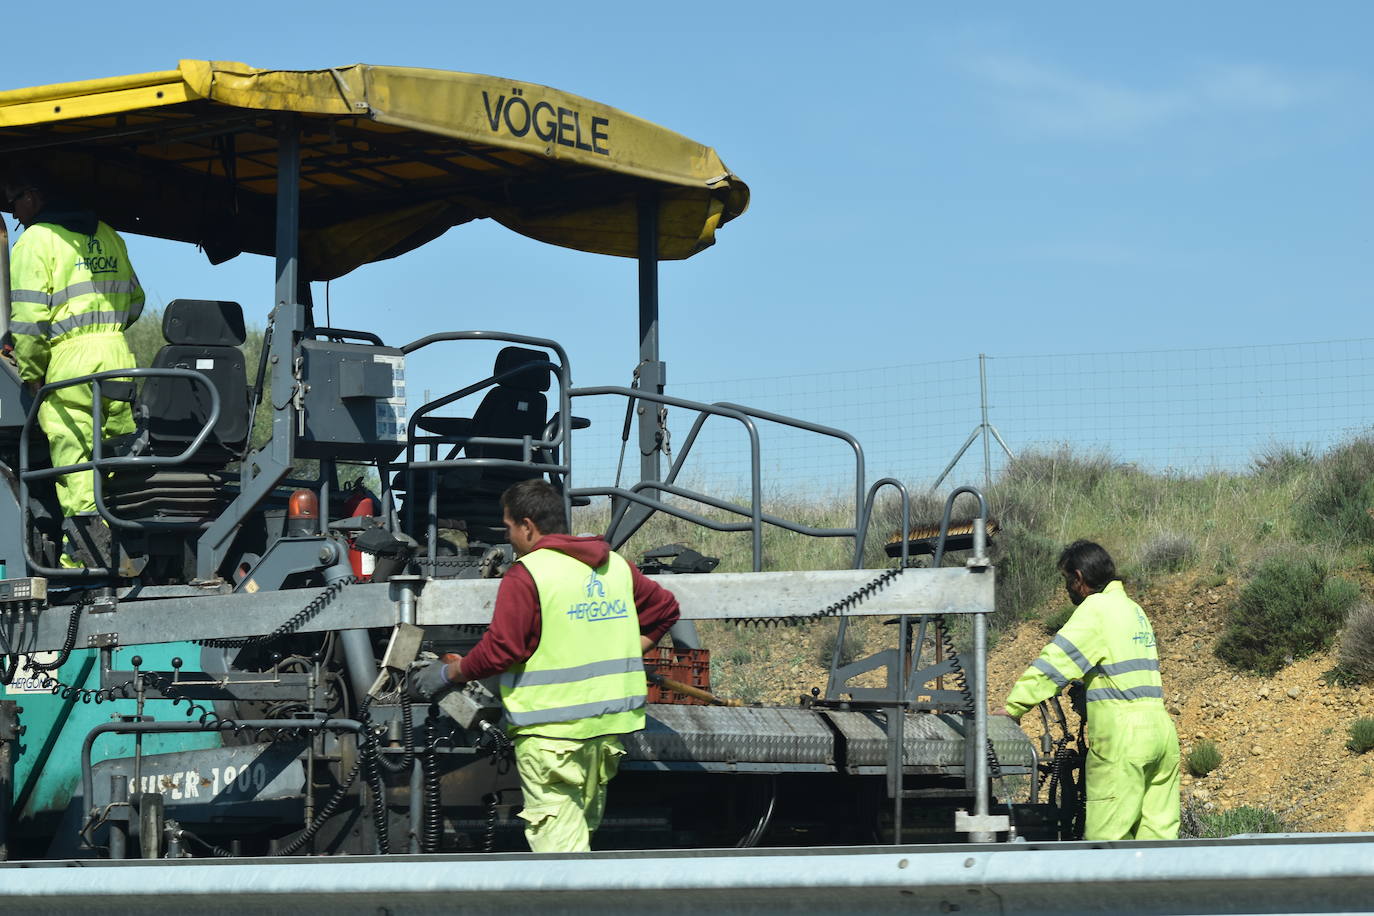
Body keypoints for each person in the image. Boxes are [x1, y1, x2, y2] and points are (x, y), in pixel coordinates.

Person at [414, 479, 680, 852]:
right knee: (578, 837)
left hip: (552, 734)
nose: (508, 538)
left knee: (561, 855)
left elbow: (502, 650)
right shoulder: (614, 565)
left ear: (527, 525)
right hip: (607, 730)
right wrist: (627, 648)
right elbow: (665, 609)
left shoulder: (528, 573)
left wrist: (448, 673)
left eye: (508, 527)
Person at [5, 166, 142, 567]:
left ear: (33, 196)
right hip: (118, 354)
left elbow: (28, 323)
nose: (14, 214)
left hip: (71, 361)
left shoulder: (36, 241)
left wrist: (31, 373)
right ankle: (127, 539)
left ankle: (86, 558)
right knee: (117, 452)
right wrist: (107, 331)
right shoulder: (108, 234)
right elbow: (136, 301)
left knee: (75, 456)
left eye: (14, 202)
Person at [1003, 539, 1180, 840]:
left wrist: (1012, 707)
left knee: (1106, 846)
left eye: (1066, 580)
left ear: (1080, 579)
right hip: (1161, 734)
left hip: (1123, 739)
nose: (1067, 588)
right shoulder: (1134, 610)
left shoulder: (1096, 609)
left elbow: (1055, 664)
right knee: (1158, 843)